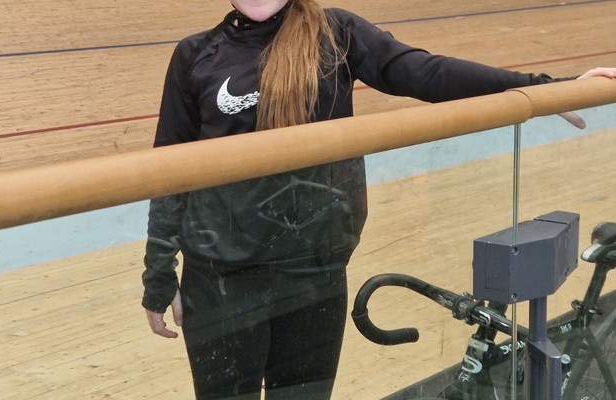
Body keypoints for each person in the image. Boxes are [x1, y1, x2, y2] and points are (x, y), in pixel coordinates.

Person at [141, 0, 616, 398]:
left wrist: (544, 87)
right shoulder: (195, 55)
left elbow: (426, 74)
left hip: (314, 277)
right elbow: (168, 174)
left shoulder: (335, 35)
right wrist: (159, 276)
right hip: (220, 286)